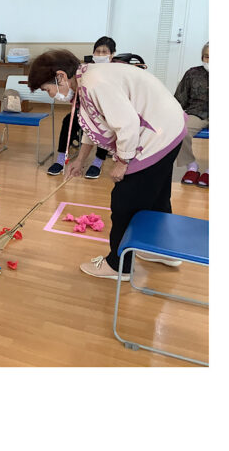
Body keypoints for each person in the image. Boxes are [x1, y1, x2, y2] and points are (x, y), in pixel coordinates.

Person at [28, 49, 187, 281]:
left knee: (125, 201)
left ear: (60, 76)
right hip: (168, 128)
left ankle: (118, 265)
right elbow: (95, 124)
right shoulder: (85, 81)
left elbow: (127, 125)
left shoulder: (95, 84)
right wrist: (80, 160)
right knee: (157, 196)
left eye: (47, 89)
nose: (51, 95)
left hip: (158, 135)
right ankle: (163, 250)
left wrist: (122, 161)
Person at [47, 36, 116, 179]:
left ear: (112, 54)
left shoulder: (115, 72)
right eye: (98, 51)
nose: (100, 55)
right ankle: (61, 159)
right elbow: (76, 91)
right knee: (68, 120)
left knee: (104, 126)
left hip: (107, 113)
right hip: (86, 110)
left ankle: (98, 162)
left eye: (104, 52)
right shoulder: (85, 70)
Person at [174, 42, 209, 187]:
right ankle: (192, 166)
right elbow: (179, 98)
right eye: (207, 57)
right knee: (181, 130)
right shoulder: (192, 73)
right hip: (197, 112)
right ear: (202, 57)